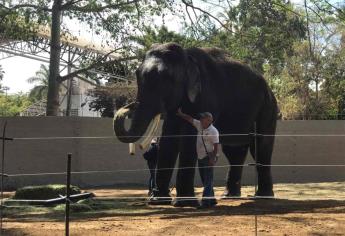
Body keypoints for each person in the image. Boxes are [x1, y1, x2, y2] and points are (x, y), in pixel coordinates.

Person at [176, 109, 219, 208]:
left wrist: (213, 158)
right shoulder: (199, 125)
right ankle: (211, 199)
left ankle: (205, 202)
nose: (201, 119)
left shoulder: (213, 131)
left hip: (209, 157)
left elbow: (216, 146)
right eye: (201, 118)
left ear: (209, 120)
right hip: (200, 157)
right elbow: (190, 119)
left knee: (208, 180)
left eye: (203, 118)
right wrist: (181, 114)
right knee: (206, 180)